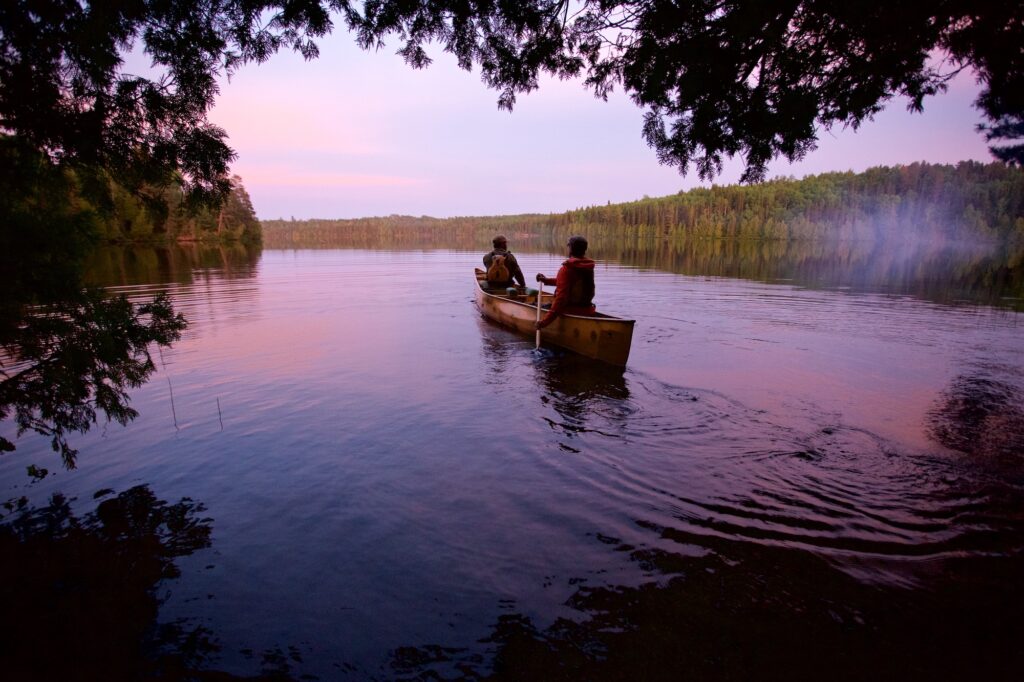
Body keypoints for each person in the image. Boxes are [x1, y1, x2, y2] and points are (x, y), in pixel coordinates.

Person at [535, 235, 596, 329]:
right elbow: (569, 283)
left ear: (571, 249)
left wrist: (543, 323)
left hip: (570, 310)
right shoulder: (587, 267)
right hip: (587, 309)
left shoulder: (566, 269)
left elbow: (560, 300)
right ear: (584, 250)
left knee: (534, 305)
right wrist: (546, 280)